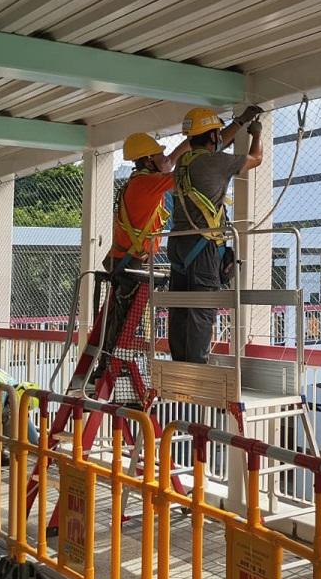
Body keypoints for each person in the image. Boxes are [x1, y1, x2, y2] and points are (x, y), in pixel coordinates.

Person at [168, 104, 264, 364]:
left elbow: (217, 145)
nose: (219, 137)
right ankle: (196, 369)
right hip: (203, 245)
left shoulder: (183, 164)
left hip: (178, 243)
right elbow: (256, 158)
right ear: (211, 136)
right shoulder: (216, 162)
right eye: (216, 134)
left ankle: (179, 363)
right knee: (201, 307)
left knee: (179, 306)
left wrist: (241, 121)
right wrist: (256, 133)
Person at [94, 132, 190, 375]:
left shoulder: (138, 182)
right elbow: (180, 175)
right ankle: (109, 365)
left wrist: (184, 145)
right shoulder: (148, 184)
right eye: (159, 155)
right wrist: (191, 148)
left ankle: (106, 363)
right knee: (123, 322)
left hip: (125, 259)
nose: (165, 158)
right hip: (131, 264)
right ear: (148, 161)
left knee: (120, 317)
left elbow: (167, 166)